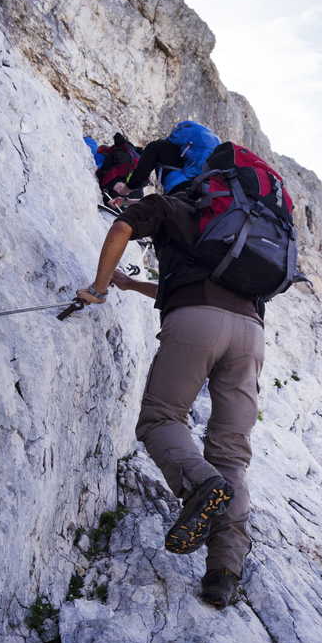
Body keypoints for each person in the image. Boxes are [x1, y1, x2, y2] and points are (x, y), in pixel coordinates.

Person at [76, 176, 263, 608]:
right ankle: (222, 574)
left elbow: (122, 227)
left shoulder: (175, 206)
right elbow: (195, 289)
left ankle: (200, 484)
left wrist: (101, 287)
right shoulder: (245, 233)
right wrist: (132, 285)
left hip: (195, 324)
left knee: (161, 419)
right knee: (232, 453)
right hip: (252, 337)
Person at [112, 120, 221, 199]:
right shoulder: (198, 167)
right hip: (205, 197)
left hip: (177, 195)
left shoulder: (158, 147)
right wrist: (127, 202)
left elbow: (141, 174)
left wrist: (125, 189)